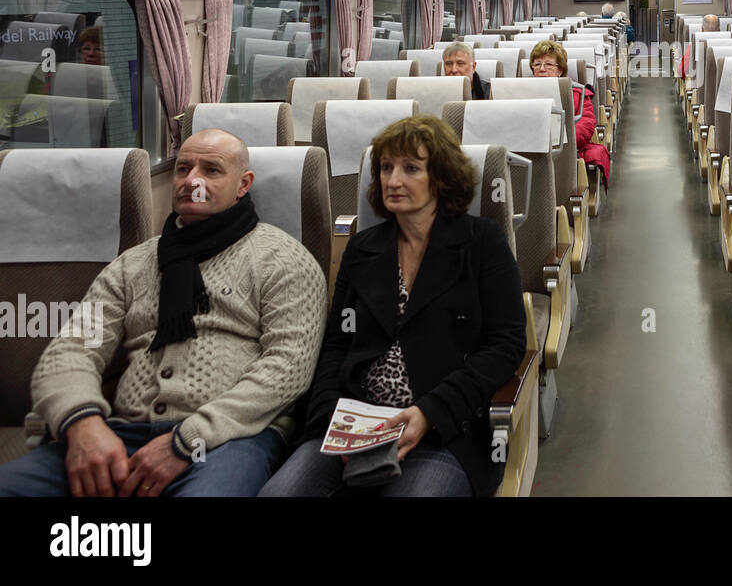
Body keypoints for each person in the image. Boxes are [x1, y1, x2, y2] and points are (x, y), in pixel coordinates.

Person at [0, 129, 328, 497]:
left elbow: (288, 369)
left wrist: (186, 441)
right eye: (183, 169)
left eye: (211, 170)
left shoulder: (284, 260)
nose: (192, 181)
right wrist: (84, 424)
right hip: (119, 433)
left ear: (243, 184)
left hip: (232, 438)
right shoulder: (133, 265)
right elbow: (72, 350)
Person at [260, 115, 526, 497]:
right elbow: (338, 343)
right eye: (386, 168)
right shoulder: (362, 249)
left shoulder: (482, 242)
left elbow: (505, 344)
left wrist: (430, 413)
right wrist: (334, 420)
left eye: (411, 168)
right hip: (355, 424)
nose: (393, 180)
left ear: (442, 177)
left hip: (442, 431)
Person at [531, 41, 610, 187]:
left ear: (560, 70)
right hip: (531, 151)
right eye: (537, 64)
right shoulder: (523, 93)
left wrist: (557, 138)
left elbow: (586, 126)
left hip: (564, 154)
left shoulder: (576, 94)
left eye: (548, 64)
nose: (542, 69)